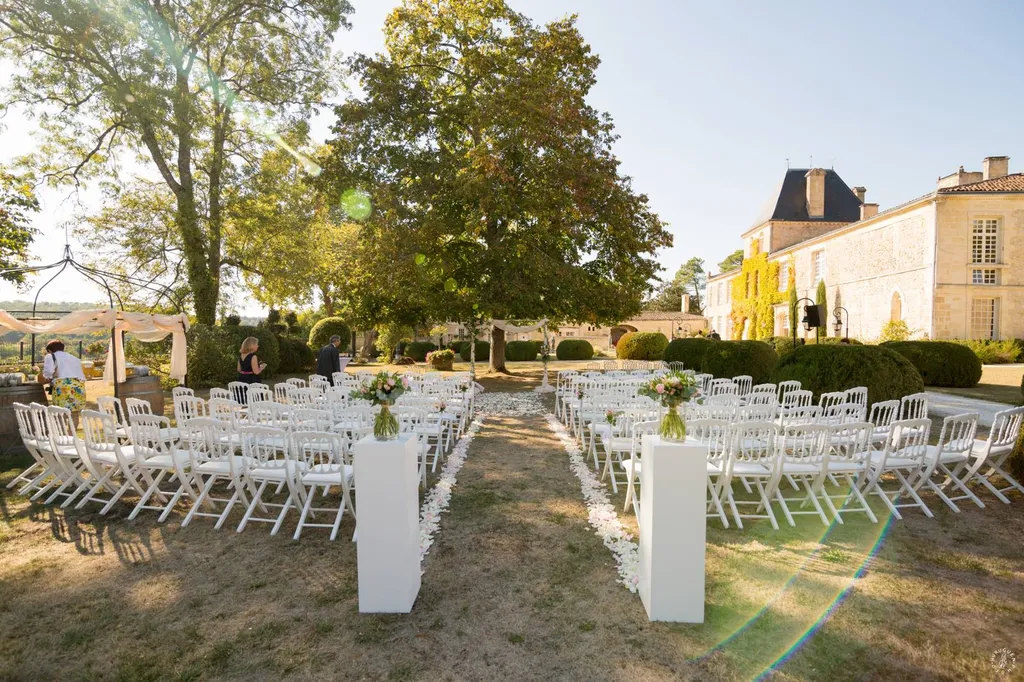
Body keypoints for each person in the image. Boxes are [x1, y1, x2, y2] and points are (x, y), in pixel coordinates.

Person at [41, 340, 87, 425]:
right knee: (74, 412)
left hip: (62, 386)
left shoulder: (50, 356)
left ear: (50, 350)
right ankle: (71, 435)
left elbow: (48, 372)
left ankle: (62, 435)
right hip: (78, 386)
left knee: (60, 412)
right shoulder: (74, 358)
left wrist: (47, 377)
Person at [237, 336, 266, 403]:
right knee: (255, 401)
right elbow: (256, 372)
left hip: (242, 379)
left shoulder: (241, 355)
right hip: (252, 380)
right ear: (252, 345)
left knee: (245, 401)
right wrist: (261, 368)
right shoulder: (253, 356)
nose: (258, 346)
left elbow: (239, 369)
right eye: (256, 344)